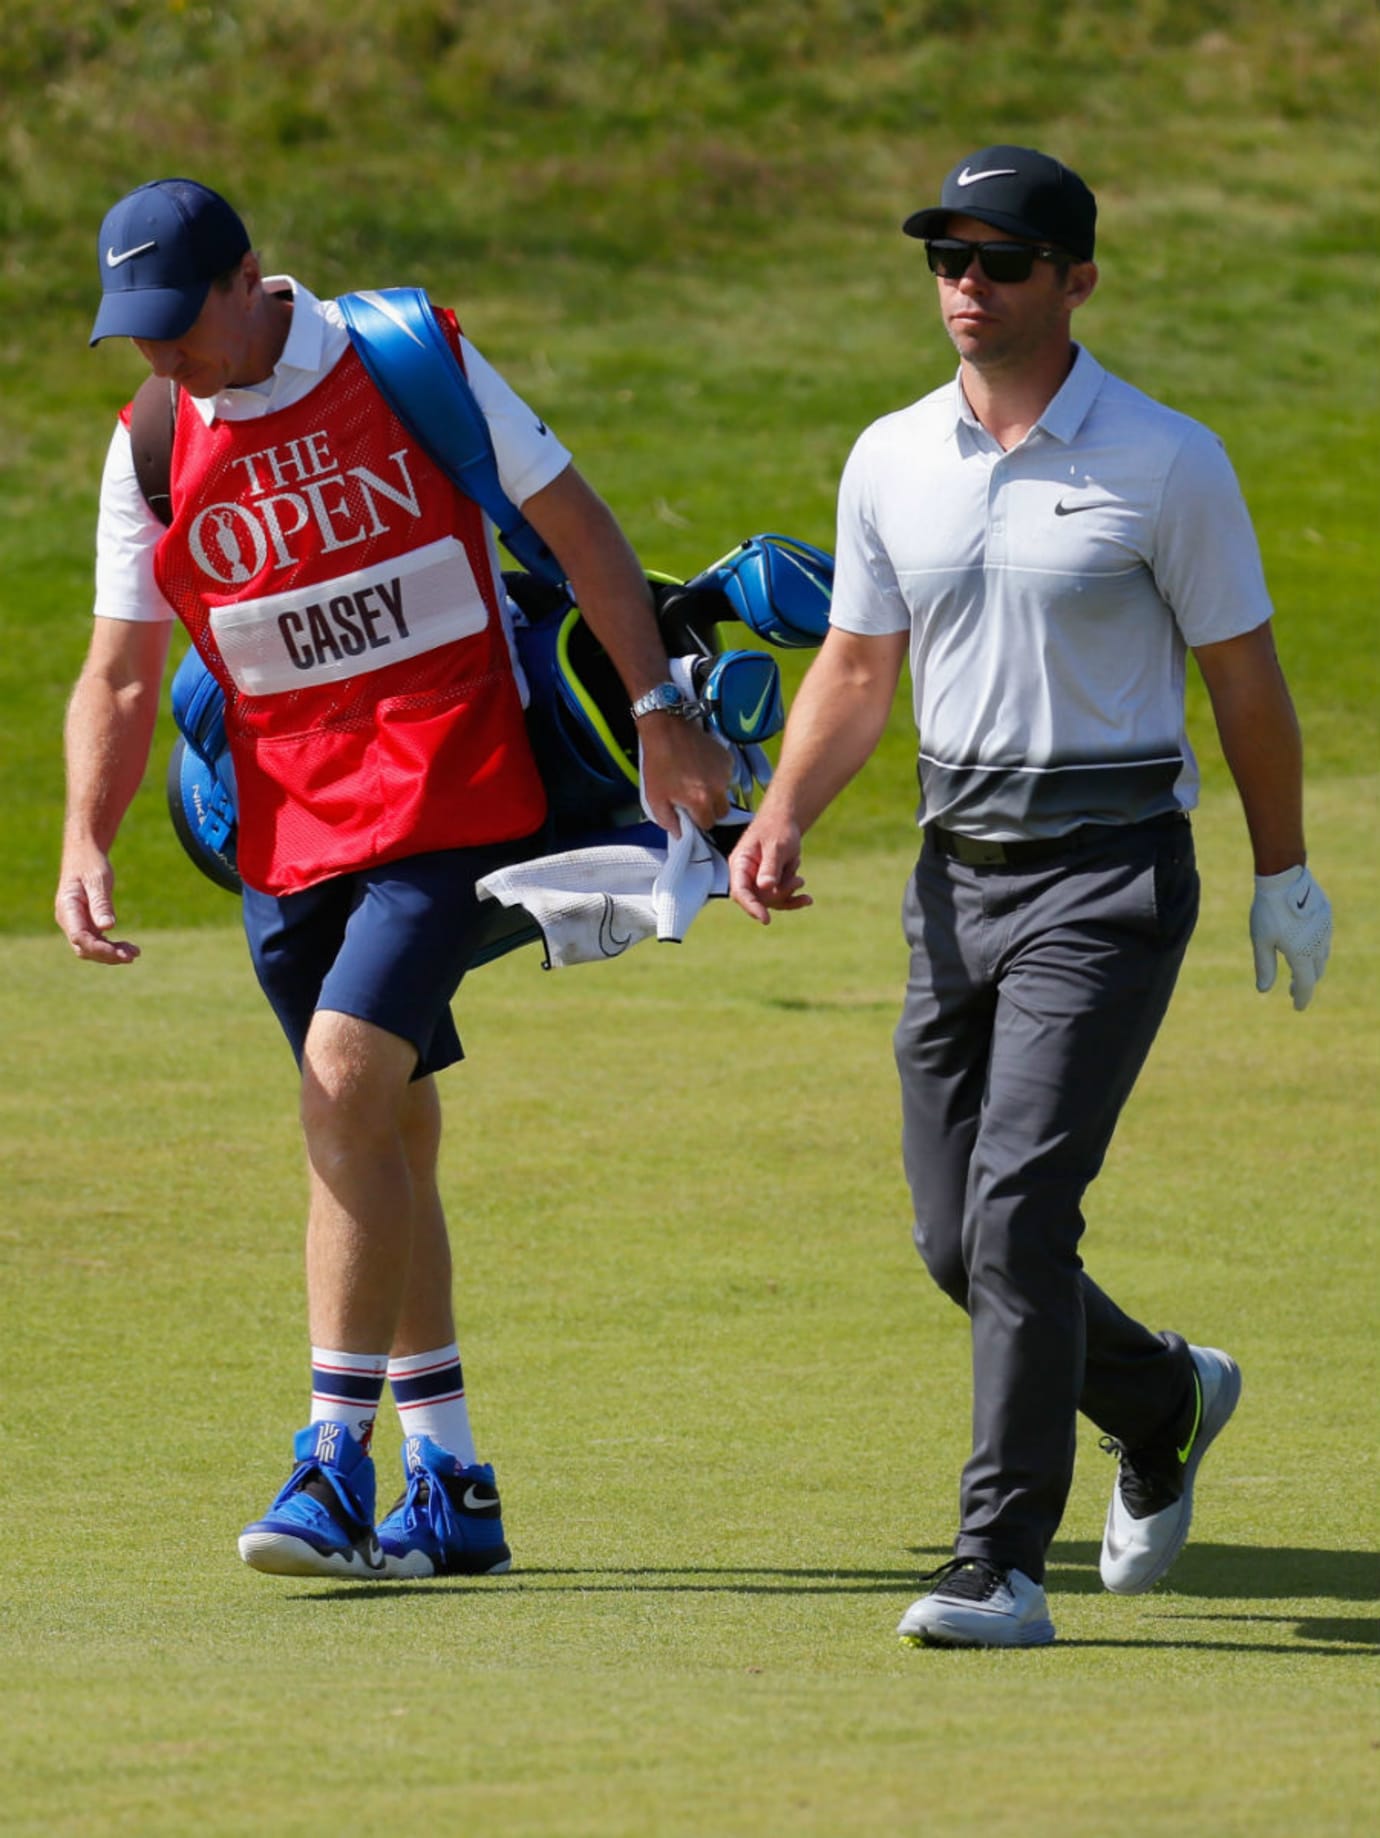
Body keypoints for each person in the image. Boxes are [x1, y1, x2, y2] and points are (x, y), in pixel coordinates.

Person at [57, 177, 732, 1583]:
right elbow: (122, 671)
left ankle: (330, 1465)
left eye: (182, 325)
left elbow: (582, 526)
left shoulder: (404, 352)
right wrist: (85, 834)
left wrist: (662, 705)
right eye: (142, 338)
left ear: (254, 280)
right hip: (287, 825)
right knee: (388, 1134)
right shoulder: (155, 440)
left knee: (347, 1085)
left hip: (456, 785)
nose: (166, 358)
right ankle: (455, 1484)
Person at [730, 145, 1332, 1648]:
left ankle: (999, 1561)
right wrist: (786, 811)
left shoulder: (1166, 459)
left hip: (1112, 875)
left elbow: (1242, 679)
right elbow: (861, 667)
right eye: (946, 256)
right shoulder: (891, 457)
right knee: (960, 1242)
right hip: (956, 883)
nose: (966, 286)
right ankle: (1164, 1391)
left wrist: (1284, 869)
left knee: (1017, 1213)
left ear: (1077, 279)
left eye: (1000, 261)